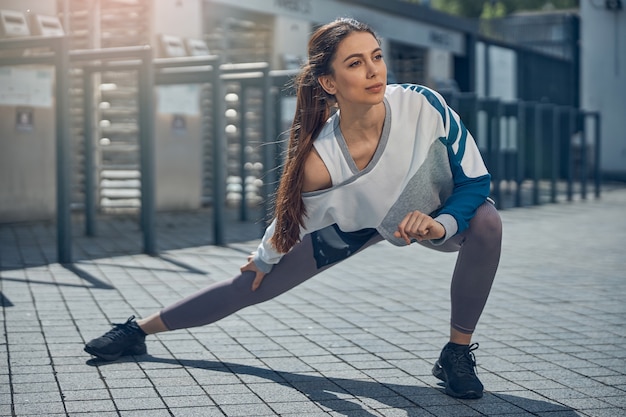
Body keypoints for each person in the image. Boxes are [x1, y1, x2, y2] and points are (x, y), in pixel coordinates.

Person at [84, 18, 502, 400]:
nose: (374, 71)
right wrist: (265, 258)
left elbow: (475, 181)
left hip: (439, 215)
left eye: (376, 56)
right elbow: (292, 217)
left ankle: (456, 353)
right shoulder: (321, 160)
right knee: (247, 286)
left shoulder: (422, 105)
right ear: (329, 82)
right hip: (364, 223)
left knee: (487, 220)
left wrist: (441, 223)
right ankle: (136, 330)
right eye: (355, 63)